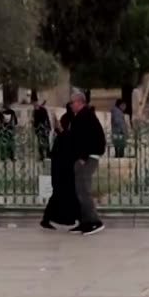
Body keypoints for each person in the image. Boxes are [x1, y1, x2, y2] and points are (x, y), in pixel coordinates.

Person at [68, 91, 107, 235]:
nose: (70, 105)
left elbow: (88, 138)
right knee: (79, 190)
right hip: (84, 157)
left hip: (88, 158)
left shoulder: (86, 116)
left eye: (72, 103)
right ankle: (84, 222)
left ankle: (94, 222)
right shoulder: (82, 116)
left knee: (84, 190)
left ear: (79, 102)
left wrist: (83, 156)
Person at [40, 110, 78, 230]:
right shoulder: (63, 138)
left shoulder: (63, 137)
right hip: (62, 172)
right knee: (59, 195)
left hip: (63, 171)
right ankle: (48, 219)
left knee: (63, 195)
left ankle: (69, 219)